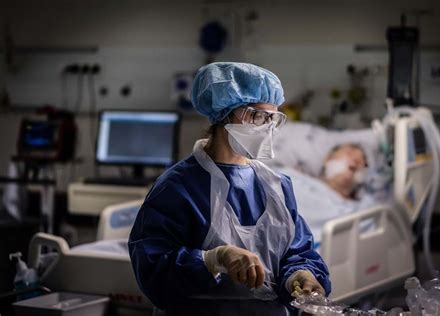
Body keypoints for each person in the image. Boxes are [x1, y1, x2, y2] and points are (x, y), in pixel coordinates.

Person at [128, 62, 331, 316]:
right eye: (258, 116)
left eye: (273, 118)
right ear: (225, 113)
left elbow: (296, 250)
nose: (267, 127)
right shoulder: (178, 187)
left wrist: (300, 274)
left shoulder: (277, 187)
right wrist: (213, 259)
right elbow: (152, 270)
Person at [282, 143, 377, 248]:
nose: (355, 161)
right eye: (349, 153)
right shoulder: (294, 180)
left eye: (362, 162)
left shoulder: (366, 210)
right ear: (328, 160)